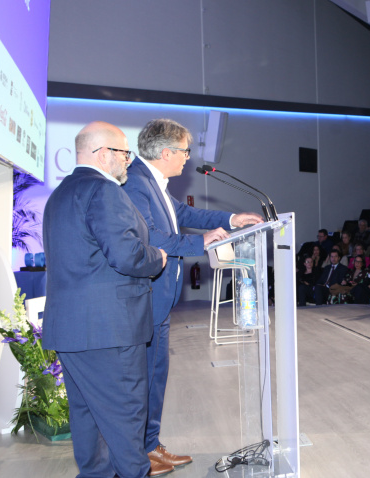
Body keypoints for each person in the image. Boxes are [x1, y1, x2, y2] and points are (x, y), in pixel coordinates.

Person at [125, 118, 262, 470]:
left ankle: (150, 444)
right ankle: (139, 452)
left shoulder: (153, 181)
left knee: (156, 375)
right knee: (145, 378)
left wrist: (232, 220)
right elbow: (150, 238)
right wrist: (198, 242)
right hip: (146, 297)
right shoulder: (137, 184)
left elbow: (183, 212)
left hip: (160, 298)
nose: (188, 158)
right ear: (166, 152)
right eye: (185, 151)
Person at [43, 121, 169, 477]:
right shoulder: (105, 191)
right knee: (125, 423)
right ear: (103, 153)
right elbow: (128, 256)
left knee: (88, 423)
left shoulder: (59, 195)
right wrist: (157, 257)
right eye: (125, 153)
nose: (128, 161)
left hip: (71, 332)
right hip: (110, 332)